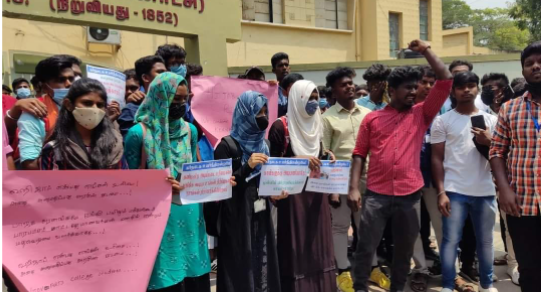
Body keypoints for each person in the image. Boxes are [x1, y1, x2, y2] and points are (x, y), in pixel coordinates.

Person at [348, 39, 453, 292]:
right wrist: (353, 188)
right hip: (376, 197)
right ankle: (359, 288)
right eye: (407, 88)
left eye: (415, 88)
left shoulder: (422, 113)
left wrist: (426, 50)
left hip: (409, 196)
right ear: (391, 90)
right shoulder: (371, 119)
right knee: (365, 249)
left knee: (403, 254)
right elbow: (359, 153)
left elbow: (446, 79)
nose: (413, 92)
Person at [124, 73, 211, 292]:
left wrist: (215, 180)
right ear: (159, 98)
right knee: (165, 280)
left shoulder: (189, 131)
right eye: (175, 100)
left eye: (184, 100)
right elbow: (129, 184)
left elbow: (193, 167)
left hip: (190, 214)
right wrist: (156, 184)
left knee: (193, 278)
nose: (181, 105)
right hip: (158, 219)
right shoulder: (138, 134)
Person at [322, 67, 389, 292]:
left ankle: (372, 268)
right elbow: (325, 153)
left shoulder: (367, 114)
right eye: (344, 84)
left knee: (367, 226)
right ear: (334, 91)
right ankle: (342, 272)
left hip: (368, 179)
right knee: (340, 226)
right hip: (340, 180)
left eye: (351, 83)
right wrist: (331, 189)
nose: (350, 87)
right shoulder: (327, 118)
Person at [431, 71, 498, 292]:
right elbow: (437, 159)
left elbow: (502, 156)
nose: (466, 90)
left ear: (477, 89)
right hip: (454, 191)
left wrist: (489, 142)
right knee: (450, 241)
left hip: (485, 190)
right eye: (461, 87)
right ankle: (449, 285)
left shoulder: (493, 120)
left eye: (471, 85)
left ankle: (487, 285)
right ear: (453, 91)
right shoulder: (442, 120)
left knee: (485, 242)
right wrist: (441, 192)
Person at [269, 80, 336, 292]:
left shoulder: (319, 122)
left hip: (317, 193)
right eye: (310, 98)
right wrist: (301, 160)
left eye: (316, 98)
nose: (315, 103)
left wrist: (327, 156)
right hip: (293, 198)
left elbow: (319, 152)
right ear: (297, 99)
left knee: (319, 245)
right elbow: (272, 166)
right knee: (296, 247)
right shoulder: (280, 127)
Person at [214, 91, 284, 292]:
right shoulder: (226, 146)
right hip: (236, 216)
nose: (263, 117)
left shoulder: (265, 145)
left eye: (265, 111)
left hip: (261, 212)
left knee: (262, 256)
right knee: (239, 259)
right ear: (245, 113)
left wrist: (275, 193)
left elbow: (267, 181)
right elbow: (221, 186)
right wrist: (248, 166)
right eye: (257, 112)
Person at [490, 41, 541, 292]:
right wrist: (504, 189)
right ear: (522, 71)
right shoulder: (510, 109)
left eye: (540, 62)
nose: (535, 66)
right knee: (529, 270)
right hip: (522, 204)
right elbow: (497, 151)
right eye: (529, 63)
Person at [479, 72, 519, 285]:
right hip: (493, 179)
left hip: (516, 180)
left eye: (490, 88)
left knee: (514, 224)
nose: (486, 91)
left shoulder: (515, 110)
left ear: (502, 91)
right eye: (483, 87)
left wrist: (490, 141)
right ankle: (511, 257)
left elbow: (520, 147)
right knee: (504, 225)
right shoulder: (484, 112)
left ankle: (515, 265)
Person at [40, 78, 125, 170]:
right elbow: (46, 183)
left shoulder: (115, 146)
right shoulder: (55, 150)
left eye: (100, 105)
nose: (94, 109)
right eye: (87, 103)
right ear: (69, 105)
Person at [410, 65, 444, 292]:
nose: (428, 87)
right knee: (413, 227)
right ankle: (420, 269)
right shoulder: (401, 111)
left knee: (441, 225)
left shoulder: (438, 113)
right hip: (408, 181)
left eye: (432, 82)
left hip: (434, 180)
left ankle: (450, 268)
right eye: (424, 82)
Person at [16, 56, 75, 170]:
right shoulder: (34, 113)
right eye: (60, 80)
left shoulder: (85, 105)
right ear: (44, 87)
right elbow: (30, 164)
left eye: (71, 79)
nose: (69, 84)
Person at [118, 55, 166, 137]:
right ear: (145, 78)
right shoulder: (131, 110)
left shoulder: (171, 105)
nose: (166, 76)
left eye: (166, 72)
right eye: (160, 72)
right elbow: (131, 145)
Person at [271, 52, 291, 117]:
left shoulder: (297, 88)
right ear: (274, 70)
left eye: (286, 65)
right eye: (280, 65)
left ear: (289, 68)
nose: (284, 68)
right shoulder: (270, 91)